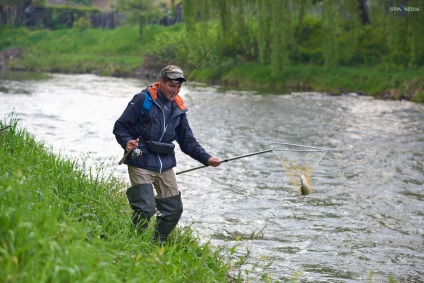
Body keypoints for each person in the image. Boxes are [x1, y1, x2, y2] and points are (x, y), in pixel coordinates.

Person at [113, 65, 221, 244]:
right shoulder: (142, 99)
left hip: (165, 164)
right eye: (172, 86)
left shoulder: (178, 109)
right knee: (146, 209)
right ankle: (132, 241)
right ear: (161, 82)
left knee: (174, 210)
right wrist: (126, 142)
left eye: (178, 87)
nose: (175, 90)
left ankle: (157, 242)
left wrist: (207, 158)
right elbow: (120, 126)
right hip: (140, 160)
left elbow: (188, 142)